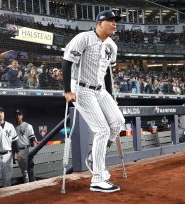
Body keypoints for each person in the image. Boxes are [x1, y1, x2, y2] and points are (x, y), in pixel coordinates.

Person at [62, 10, 125, 193]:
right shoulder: (84, 38)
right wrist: (67, 90)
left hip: (101, 90)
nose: (115, 24)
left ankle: (93, 157)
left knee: (117, 123)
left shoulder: (112, 46)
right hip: (81, 88)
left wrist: (111, 97)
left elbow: (107, 74)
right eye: (111, 21)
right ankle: (97, 179)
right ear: (99, 23)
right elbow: (66, 62)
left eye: (115, 21)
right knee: (102, 129)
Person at [0, 106, 22, 188]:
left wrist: (18, 151)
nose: (0, 114)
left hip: (8, 156)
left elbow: (14, 140)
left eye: (1, 112)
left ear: (4, 114)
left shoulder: (10, 126)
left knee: (8, 182)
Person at [15, 109, 38, 183]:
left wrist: (33, 152)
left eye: (19, 115)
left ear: (22, 116)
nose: (18, 116)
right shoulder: (15, 128)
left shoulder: (28, 126)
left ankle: (33, 185)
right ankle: (26, 187)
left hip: (27, 149)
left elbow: (32, 139)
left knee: (30, 170)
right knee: (24, 172)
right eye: (16, 115)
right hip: (19, 151)